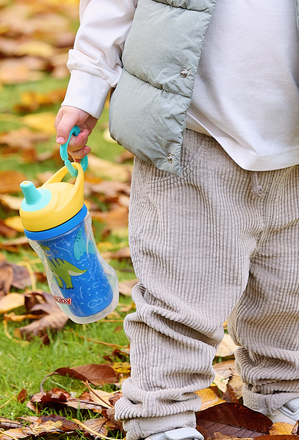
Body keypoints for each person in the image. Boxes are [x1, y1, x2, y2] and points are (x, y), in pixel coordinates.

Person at [54, 1, 299, 440]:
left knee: (289, 289)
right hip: (191, 137)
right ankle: (160, 412)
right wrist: (87, 87)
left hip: (292, 144)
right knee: (180, 290)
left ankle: (284, 389)